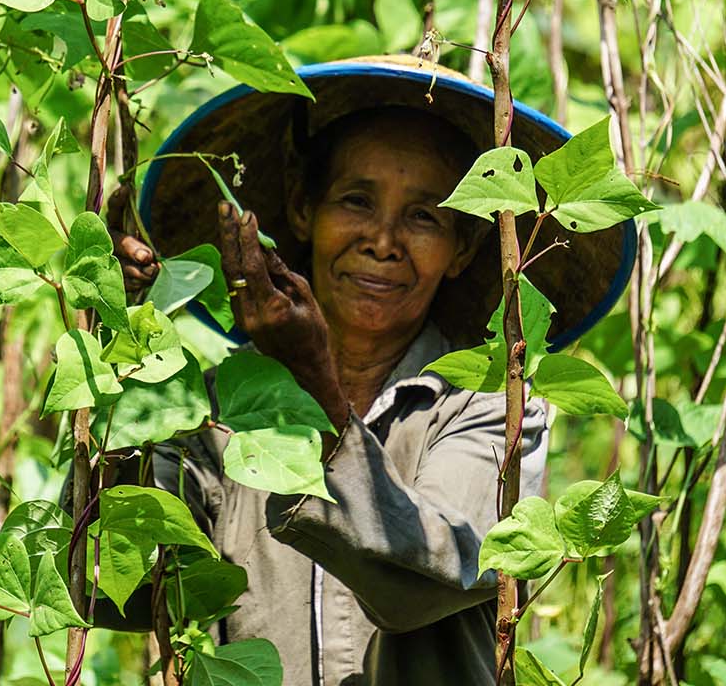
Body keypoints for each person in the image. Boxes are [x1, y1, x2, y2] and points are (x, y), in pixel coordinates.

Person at [107, 56, 636, 685]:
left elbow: (432, 577)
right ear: (305, 211)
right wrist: (123, 339)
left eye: (423, 217)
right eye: (356, 201)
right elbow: (118, 587)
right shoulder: (215, 411)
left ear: (463, 249)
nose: (382, 241)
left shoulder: (491, 406)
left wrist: (312, 382)